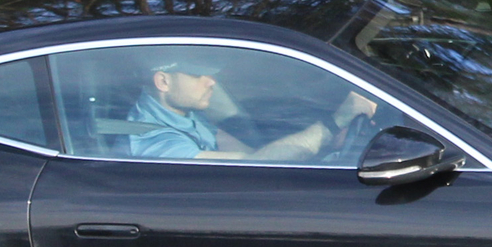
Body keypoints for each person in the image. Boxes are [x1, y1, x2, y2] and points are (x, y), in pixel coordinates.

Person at [127, 54, 378, 162]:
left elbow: (252, 153)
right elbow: (261, 163)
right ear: (163, 81)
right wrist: (334, 123)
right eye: (198, 75)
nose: (211, 81)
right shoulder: (159, 142)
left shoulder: (180, 114)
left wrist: (328, 142)